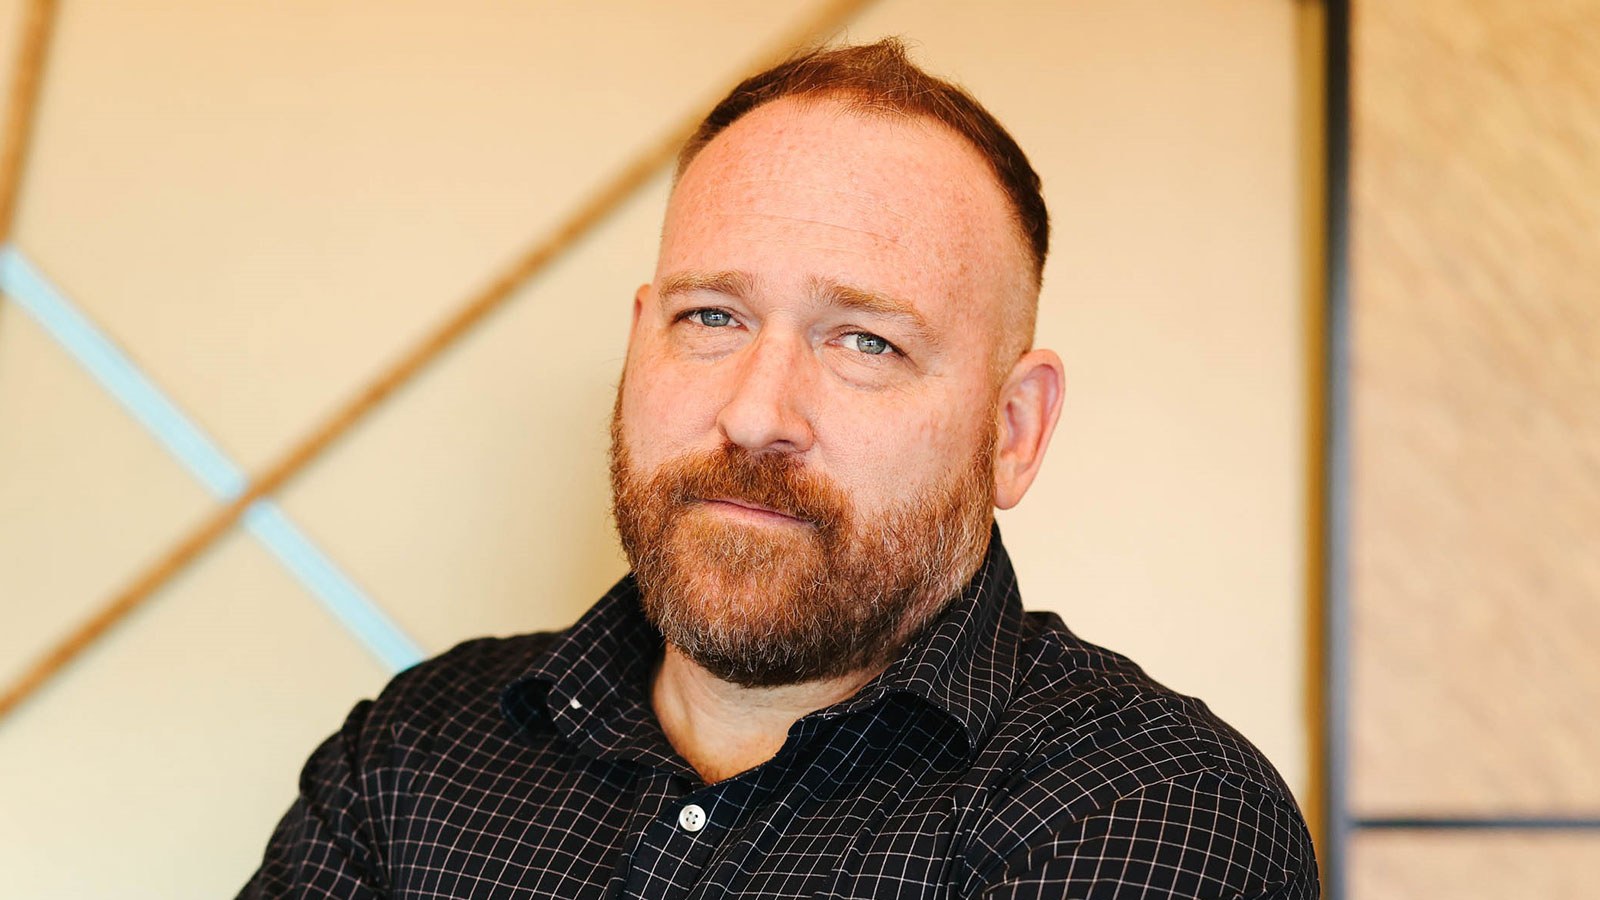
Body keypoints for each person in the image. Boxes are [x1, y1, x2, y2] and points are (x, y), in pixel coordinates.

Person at [240, 39, 1318, 899]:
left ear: (1012, 430)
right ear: (637, 347)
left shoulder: (1147, 810)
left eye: (866, 342)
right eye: (710, 316)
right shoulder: (417, 755)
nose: (755, 415)